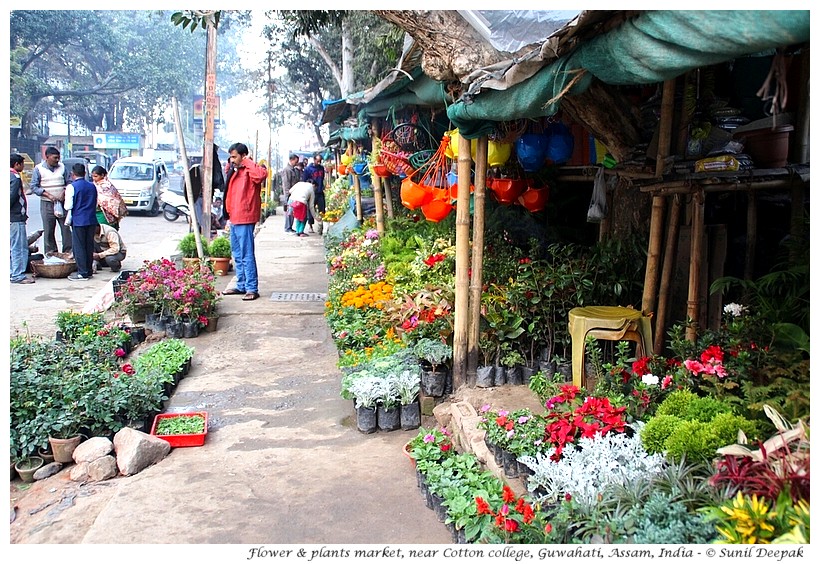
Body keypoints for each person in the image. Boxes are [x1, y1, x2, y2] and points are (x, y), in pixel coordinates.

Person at [221, 142, 266, 301]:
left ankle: (252, 288)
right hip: (234, 216)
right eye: (230, 157)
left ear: (243, 156)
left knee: (246, 254)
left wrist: (247, 161)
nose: (231, 160)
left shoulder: (250, 169)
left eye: (234, 157)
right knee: (237, 254)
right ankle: (241, 284)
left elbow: (261, 176)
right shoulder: (235, 170)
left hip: (245, 217)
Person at [30, 146, 72, 256]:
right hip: (47, 203)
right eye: (55, 158)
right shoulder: (38, 169)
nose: (57, 160)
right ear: (47, 157)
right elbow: (34, 187)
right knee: (49, 229)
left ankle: (68, 252)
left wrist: (64, 192)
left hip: (62, 203)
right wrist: (48, 195)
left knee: (66, 228)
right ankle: (51, 253)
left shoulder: (62, 167)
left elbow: (69, 182)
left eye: (58, 158)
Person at [65, 162, 98, 281]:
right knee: (89, 245)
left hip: (78, 220)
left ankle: (82, 272)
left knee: (79, 246)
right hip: (91, 219)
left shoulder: (72, 187)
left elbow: (68, 205)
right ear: (84, 173)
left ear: (73, 174)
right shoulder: (92, 186)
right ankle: (88, 270)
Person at [10, 153, 35, 284]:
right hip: (15, 217)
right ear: (16, 164)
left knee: (13, 245)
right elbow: (11, 197)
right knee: (18, 247)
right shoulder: (15, 178)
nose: (23, 167)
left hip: (12, 217)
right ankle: (17, 275)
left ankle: (12, 271)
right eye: (22, 164)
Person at [90, 165, 128, 230]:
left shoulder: (107, 186)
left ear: (102, 175)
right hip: (96, 213)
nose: (94, 178)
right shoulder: (94, 185)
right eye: (92, 176)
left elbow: (113, 200)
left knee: (106, 233)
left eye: (96, 176)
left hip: (105, 215)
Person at [302, 154, 326, 233]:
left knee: (322, 209)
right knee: (310, 209)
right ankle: (310, 226)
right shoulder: (308, 169)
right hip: (311, 192)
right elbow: (304, 180)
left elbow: (322, 179)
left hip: (320, 191)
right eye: (317, 161)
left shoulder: (321, 168)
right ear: (314, 160)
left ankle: (321, 225)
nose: (319, 163)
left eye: (320, 161)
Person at [280, 154, 300, 233]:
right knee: (289, 211)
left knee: (292, 211)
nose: (297, 163)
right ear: (292, 160)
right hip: (289, 194)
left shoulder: (293, 170)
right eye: (296, 161)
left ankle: (290, 227)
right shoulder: (287, 170)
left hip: (294, 193)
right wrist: (287, 195)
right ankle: (288, 227)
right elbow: (286, 184)